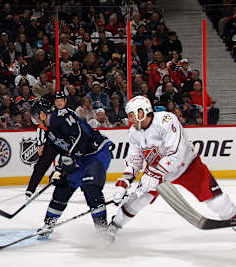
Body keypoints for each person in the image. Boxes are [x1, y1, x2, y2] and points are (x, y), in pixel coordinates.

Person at [107, 96, 236, 241]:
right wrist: (124, 182)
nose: (129, 118)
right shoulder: (134, 132)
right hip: (159, 174)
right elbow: (134, 159)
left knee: (218, 202)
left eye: (131, 114)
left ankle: (234, 219)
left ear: (141, 112)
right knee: (136, 201)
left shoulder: (166, 121)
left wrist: (153, 174)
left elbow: (176, 154)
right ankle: (112, 228)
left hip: (188, 167)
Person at [30, 91, 114, 238]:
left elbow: (82, 135)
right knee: (63, 187)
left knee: (90, 188)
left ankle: (102, 230)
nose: (36, 119)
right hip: (80, 158)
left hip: (96, 151)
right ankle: (48, 224)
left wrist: (71, 159)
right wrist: (59, 170)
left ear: (43, 114)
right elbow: (58, 153)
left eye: (38, 115)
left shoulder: (61, 117)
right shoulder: (50, 133)